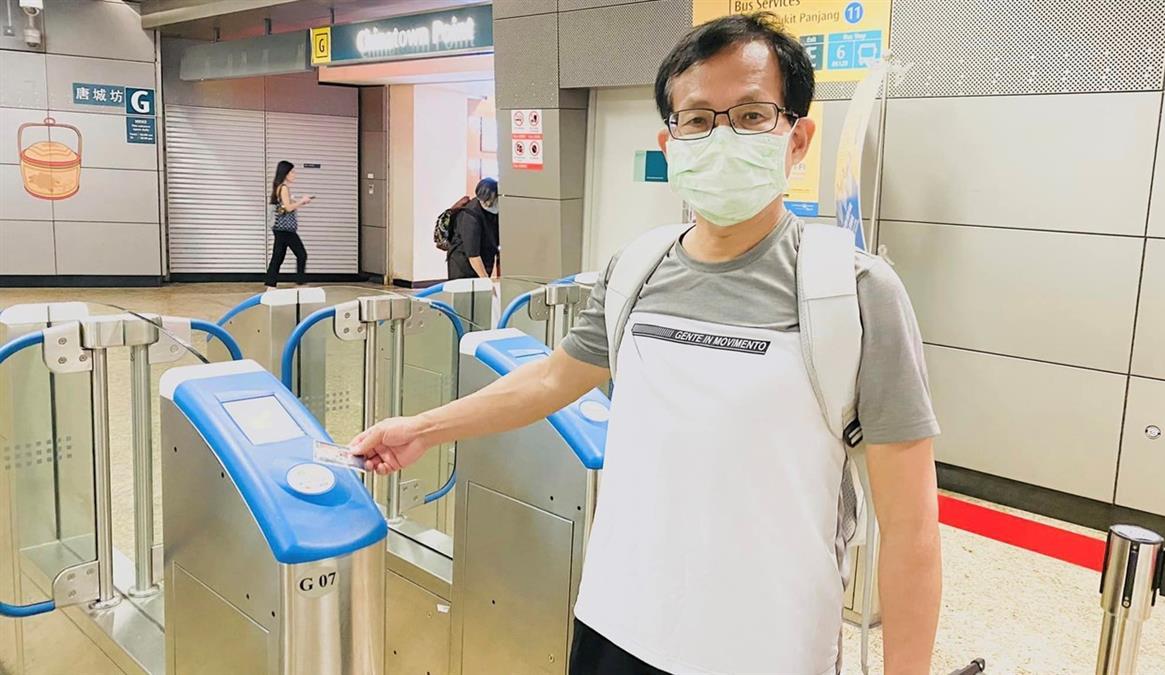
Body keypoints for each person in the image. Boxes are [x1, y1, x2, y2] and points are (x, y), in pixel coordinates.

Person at [354, 13, 940, 675]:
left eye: (751, 116)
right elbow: (550, 380)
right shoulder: (637, 268)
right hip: (617, 626)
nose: (722, 137)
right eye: (698, 119)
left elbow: (912, 526)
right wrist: (424, 428)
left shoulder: (853, 291)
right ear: (671, 141)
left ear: (797, 137)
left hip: (769, 648)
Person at [265, 160, 311, 288]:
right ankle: (300, 283)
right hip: (286, 229)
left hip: (279, 228)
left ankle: (270, 284)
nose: (294, 174)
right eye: (292, 172)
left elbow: (284, 206)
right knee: (301, 254)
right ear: (285, 173)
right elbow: (288, 208)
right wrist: (302, 201)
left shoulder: (279, 187)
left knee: (278, 257)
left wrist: (300, 201)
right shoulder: (284, 188)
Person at [446, 178, 500, 280]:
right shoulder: (470, 216)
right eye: (485, 202)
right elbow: (473, 255)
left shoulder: (496, 210)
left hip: (484, 259)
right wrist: (485, 280)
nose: (488, 205)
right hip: (463, 266)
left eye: (491, 201)